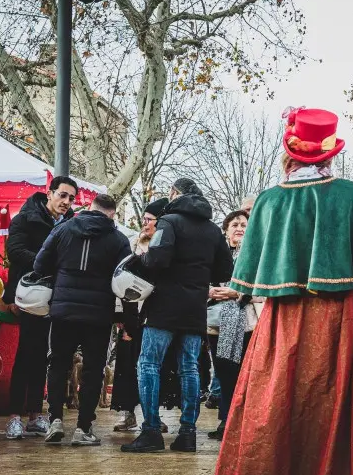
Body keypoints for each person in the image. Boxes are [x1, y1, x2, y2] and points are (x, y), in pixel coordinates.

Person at [215, 107, 353, 475]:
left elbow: (246, 275)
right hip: (341, 313)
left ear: (289, 155)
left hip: (285, 315)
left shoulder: (270, 201)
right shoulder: (351, 194)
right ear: (329, 155)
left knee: (281, 396)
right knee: (342, 396)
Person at [121, 178, 234, 454]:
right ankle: (188, 434)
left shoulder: (169, 222)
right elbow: (225, 272)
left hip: (164, 307)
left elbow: (158, 259)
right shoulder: (212, 229)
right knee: (190, 368)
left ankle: (150, 432)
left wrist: (142, 259)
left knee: (148, 364)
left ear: (174, 194)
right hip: (195, 309)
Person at [33, 194, 131, 445]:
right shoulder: (118, 239)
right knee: (93, 369)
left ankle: (55, 419)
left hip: (63, 311)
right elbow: (126, 280)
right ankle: (83, 428)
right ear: (112, 214)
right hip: (98, 315)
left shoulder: (63, 230)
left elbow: (40, 265)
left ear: (91, 208)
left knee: (57, 363)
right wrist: (126, 318)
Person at [4, 176, 77, 439]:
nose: (66, 202)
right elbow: (14, 251)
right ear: (50, 194)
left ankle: (35, 414)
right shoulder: (26, 218)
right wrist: (45, 262)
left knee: (43, 357)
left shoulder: (71, 224)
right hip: (29, 295)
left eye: (71, 198)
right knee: (26, 353)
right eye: (62, 195)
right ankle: (14, 416)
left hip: (56, 298)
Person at [111, 197, 168, 432]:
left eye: (150, 220)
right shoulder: (132, 245)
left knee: (151, 366)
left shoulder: (163, 249)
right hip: (129, 314)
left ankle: (151, 413)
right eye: (143, 219)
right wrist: (120, 320)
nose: (145, 224)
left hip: (153, 315)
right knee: (126, 365)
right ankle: (127, 413)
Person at [206, 210, 260, 441]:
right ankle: (226, 420)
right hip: (216, 320)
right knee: (223, 373)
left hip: (246, 321)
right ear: (226, 229)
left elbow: (261, 287)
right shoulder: (215, 253)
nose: (239, 228)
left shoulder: (256, 254)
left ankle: (242, 421)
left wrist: (236, 293)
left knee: (242, 374)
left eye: (244, 225)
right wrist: (209, 290)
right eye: (235, 224)